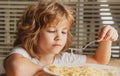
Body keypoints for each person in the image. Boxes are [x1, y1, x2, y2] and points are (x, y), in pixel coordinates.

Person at [3, 1, 118, 76]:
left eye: (64, 32)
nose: (59, 37)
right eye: (52, 31)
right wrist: (58, 73)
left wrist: (106, 40)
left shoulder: (64, 58)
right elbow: (16, 67)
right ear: (33, 33)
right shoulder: (22, 53)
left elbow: (99, 61)